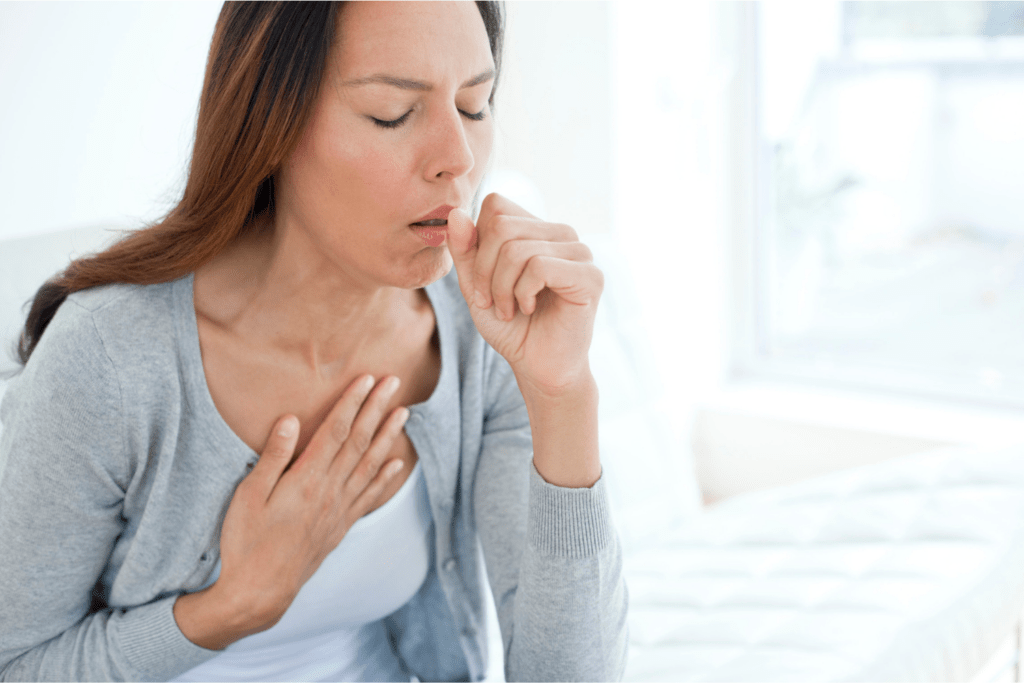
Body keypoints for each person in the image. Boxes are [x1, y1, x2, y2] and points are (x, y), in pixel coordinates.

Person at [0, 2, 628, 681]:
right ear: (273, 122)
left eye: (475, 105)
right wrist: (230, 606)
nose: (460, 159)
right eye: (393, 112)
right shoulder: (109, 359)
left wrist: (563, 396)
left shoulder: (485, 329)